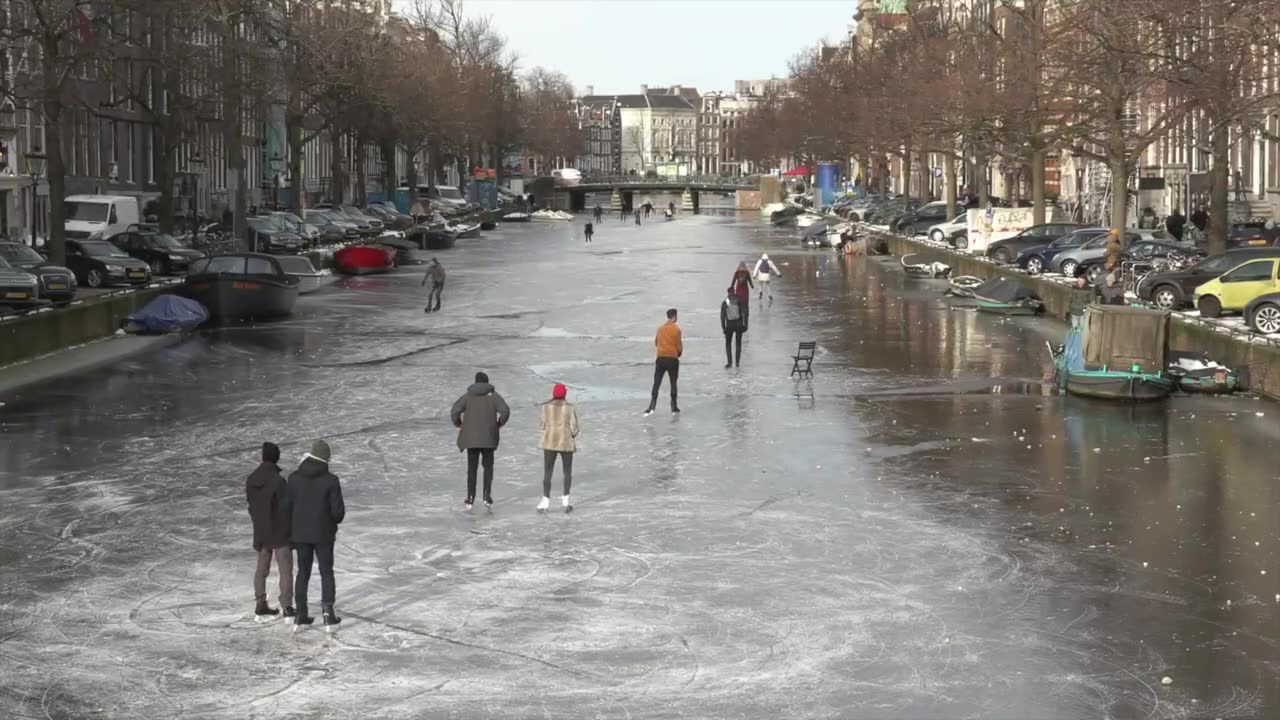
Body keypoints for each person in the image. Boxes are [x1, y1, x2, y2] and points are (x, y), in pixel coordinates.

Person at [288, 440, 345, 630]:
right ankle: (328, 613)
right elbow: (338, 514)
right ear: (326, 459)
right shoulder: (331, 480)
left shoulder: (293, 478)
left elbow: (287, 508)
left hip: (300, 535)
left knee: (302, 573)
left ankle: (301, 614)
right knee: (326, 572)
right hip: (324, 535)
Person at [246, 442, 293, 619]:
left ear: (263, 457)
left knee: (261, 568)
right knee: (285, 570)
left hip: (261, 531)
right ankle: (287, 607)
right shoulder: (279, 481)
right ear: (276, 458)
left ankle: (260, 603)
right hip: (279, 532)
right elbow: (286, 508)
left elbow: (251, 506)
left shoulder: (251, 480)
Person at [451, 371, 510, 510]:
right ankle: (486, 496)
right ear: (487, 382)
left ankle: (470, 498)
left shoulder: (468, 396)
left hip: (471, 438)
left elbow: (455, 411)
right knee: (488, 467)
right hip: (489, 438)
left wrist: (459, 424)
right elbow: (505, 411)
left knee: (472, 468)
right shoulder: (494, 396)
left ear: (476, 382)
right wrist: (499, 424)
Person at [538, 383, 579, 513]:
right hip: (565, 442)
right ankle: (566, 502)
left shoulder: (546, 407)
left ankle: (545, 502)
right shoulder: (570, 408)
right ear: (564, 394)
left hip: (550, 442)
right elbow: (575, 428)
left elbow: (542, 425)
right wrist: (570, 435)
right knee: (567, 472)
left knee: (548, 472)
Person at [643, 309, 682, 416]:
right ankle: (674, 407)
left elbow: (656, 343)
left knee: (656, 382)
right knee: (673, 383)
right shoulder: (677, 330)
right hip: (672, 359)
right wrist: (677, 354)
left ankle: (652, 405)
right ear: (674, 316)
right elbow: (679, 347)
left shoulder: (660, 329)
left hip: (660, 359)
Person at [721, 287, 746, 368]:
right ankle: (737, 363)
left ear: (728, 292)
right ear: (734, 292)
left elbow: (723, 316)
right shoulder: (739, 300)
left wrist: (723, 327)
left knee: (728, 344)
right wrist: (744, 324)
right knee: (738, 344)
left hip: (729, 324)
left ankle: (730, 363)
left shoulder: (725, 302)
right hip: (738, 324)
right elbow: (743, 313)